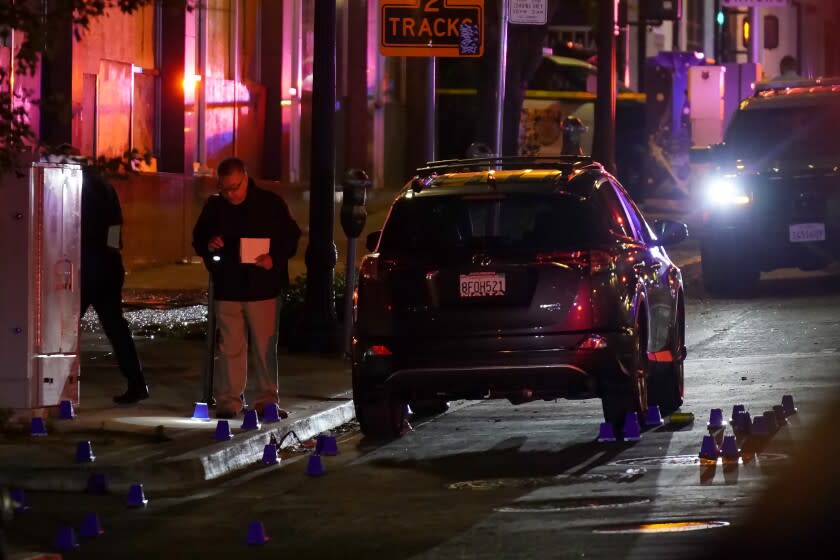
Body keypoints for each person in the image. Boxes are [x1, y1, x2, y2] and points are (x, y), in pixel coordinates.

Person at [192, 157, 301, 419]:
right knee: (230, 346)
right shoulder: (216, 207)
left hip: (262, 288)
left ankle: (266, 399)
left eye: (234, 187)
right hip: (229, 286)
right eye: (224, 188)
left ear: (245, 178)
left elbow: (291, 236)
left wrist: (273, 258)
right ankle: (230, 400)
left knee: (264, 347)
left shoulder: (269, 204)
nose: (229, 194)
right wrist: (210, 244)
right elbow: (199, 237)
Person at [70, 147, 148, 404]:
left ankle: (58, 386)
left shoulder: (72, 185)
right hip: (108, 265)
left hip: (84, 266)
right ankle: (137, 382)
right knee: (116, 328)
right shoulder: (104, 186)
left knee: (64, 329)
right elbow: (115, 226)